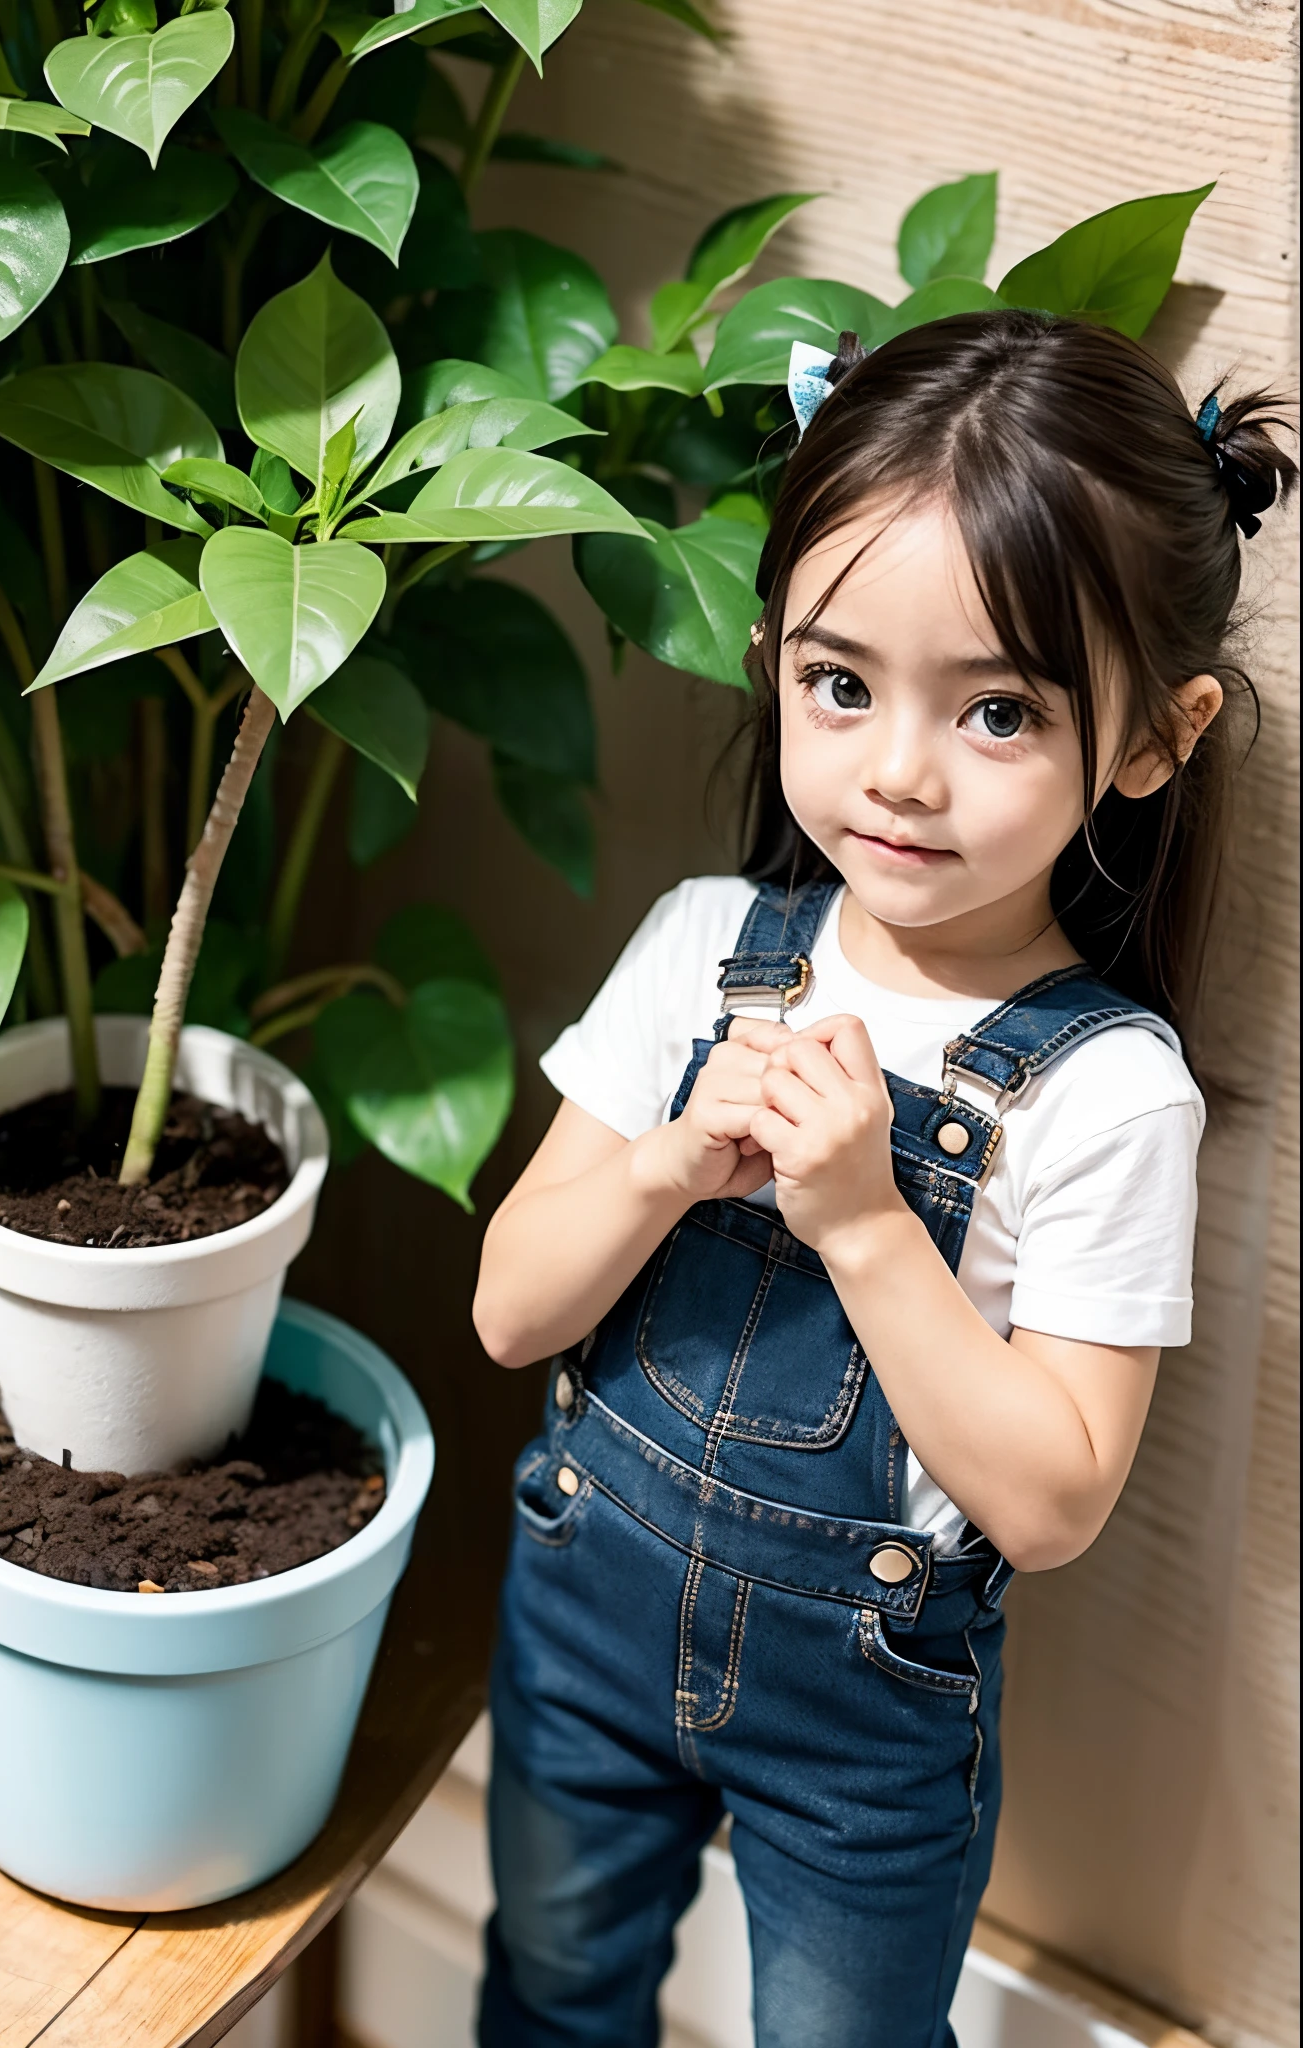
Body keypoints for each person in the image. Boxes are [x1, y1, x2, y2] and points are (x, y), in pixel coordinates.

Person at [470, 310, 1296, 2048]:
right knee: (551, 1991)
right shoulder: (706, 947)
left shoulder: (1106, 1093)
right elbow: (508, 1310)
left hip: (865, 1717)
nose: (898, 772)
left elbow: (1054, 1499)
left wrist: (857, 1219)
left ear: (1156, 734)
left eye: (999, 710)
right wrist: (673, 1168)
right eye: (840, 685)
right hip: (584, 1614)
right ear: (772, 656)